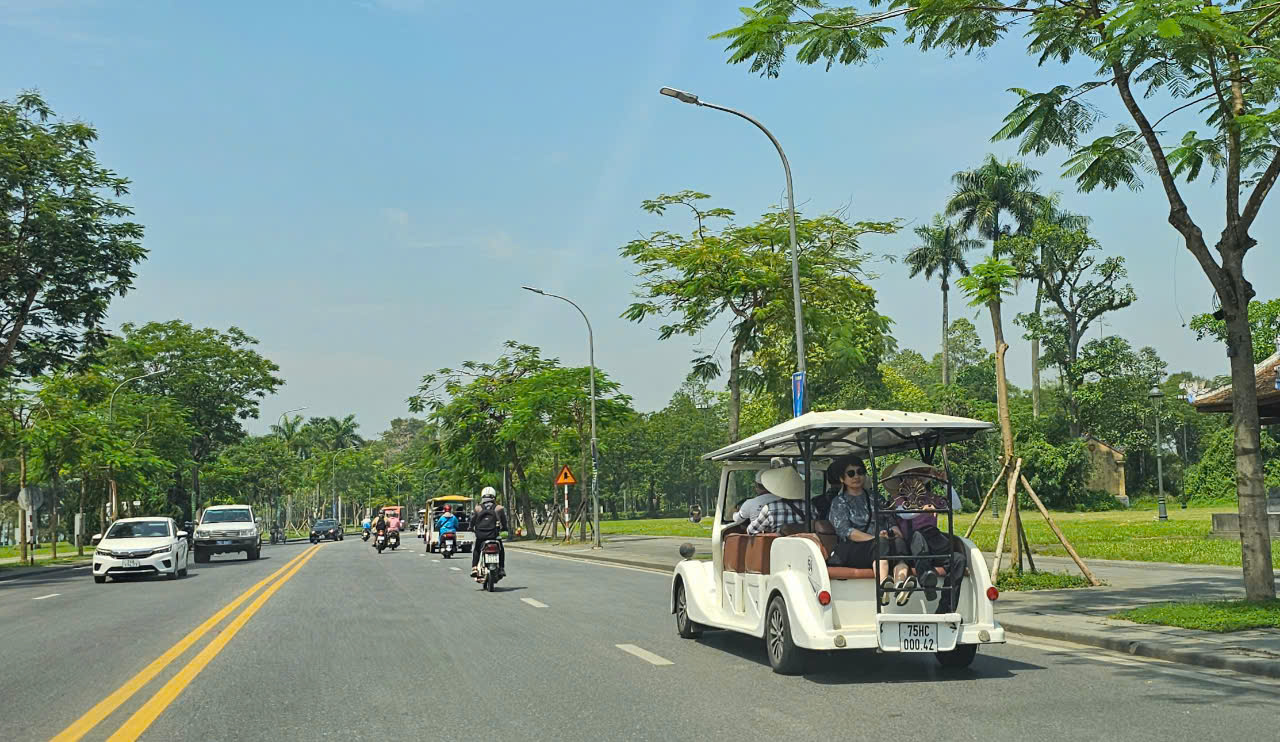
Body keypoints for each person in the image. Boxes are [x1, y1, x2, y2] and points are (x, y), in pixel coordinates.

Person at [881, 459, 967, 612]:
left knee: (958, 559)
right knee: (918, 536)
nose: (917, 478)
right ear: (903, 478)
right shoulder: (898, 499)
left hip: (933, 540)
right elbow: (904, 514)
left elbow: (957, 505)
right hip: (910, 544)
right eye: (913, 474)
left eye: (922, 473)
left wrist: (945, 483)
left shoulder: (931, 497)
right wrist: (923, 510)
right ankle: (926, 581)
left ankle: (946, 608)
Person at [825, 453, 912, 605]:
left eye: (860, 472)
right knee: (881, 544)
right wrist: (875, 538)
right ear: (842, 479)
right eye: (851, 473)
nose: (856, 476)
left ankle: (900, 585)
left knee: (899, 543)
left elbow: (889, 518)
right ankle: (882, 587)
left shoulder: (875, 497)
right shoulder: (839, 502)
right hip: (855, 548)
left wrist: (894, 532)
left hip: (881, 542)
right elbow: (846, 531)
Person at [745, 466, 809, 535]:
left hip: (780, 545)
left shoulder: (770, 508)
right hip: (804, 545)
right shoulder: (810, 507)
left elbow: (751, 531)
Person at [470, 486, 508, 578]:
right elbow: (504, 522)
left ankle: (474, 567)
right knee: (501, 549)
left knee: (477, 549)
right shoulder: (499, 508)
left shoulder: (478, 508)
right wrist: (505, 529)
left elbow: (472, 521)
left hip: (481, 536)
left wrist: (470, 528)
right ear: (494, 496)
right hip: (494, 535)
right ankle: (502, 568)